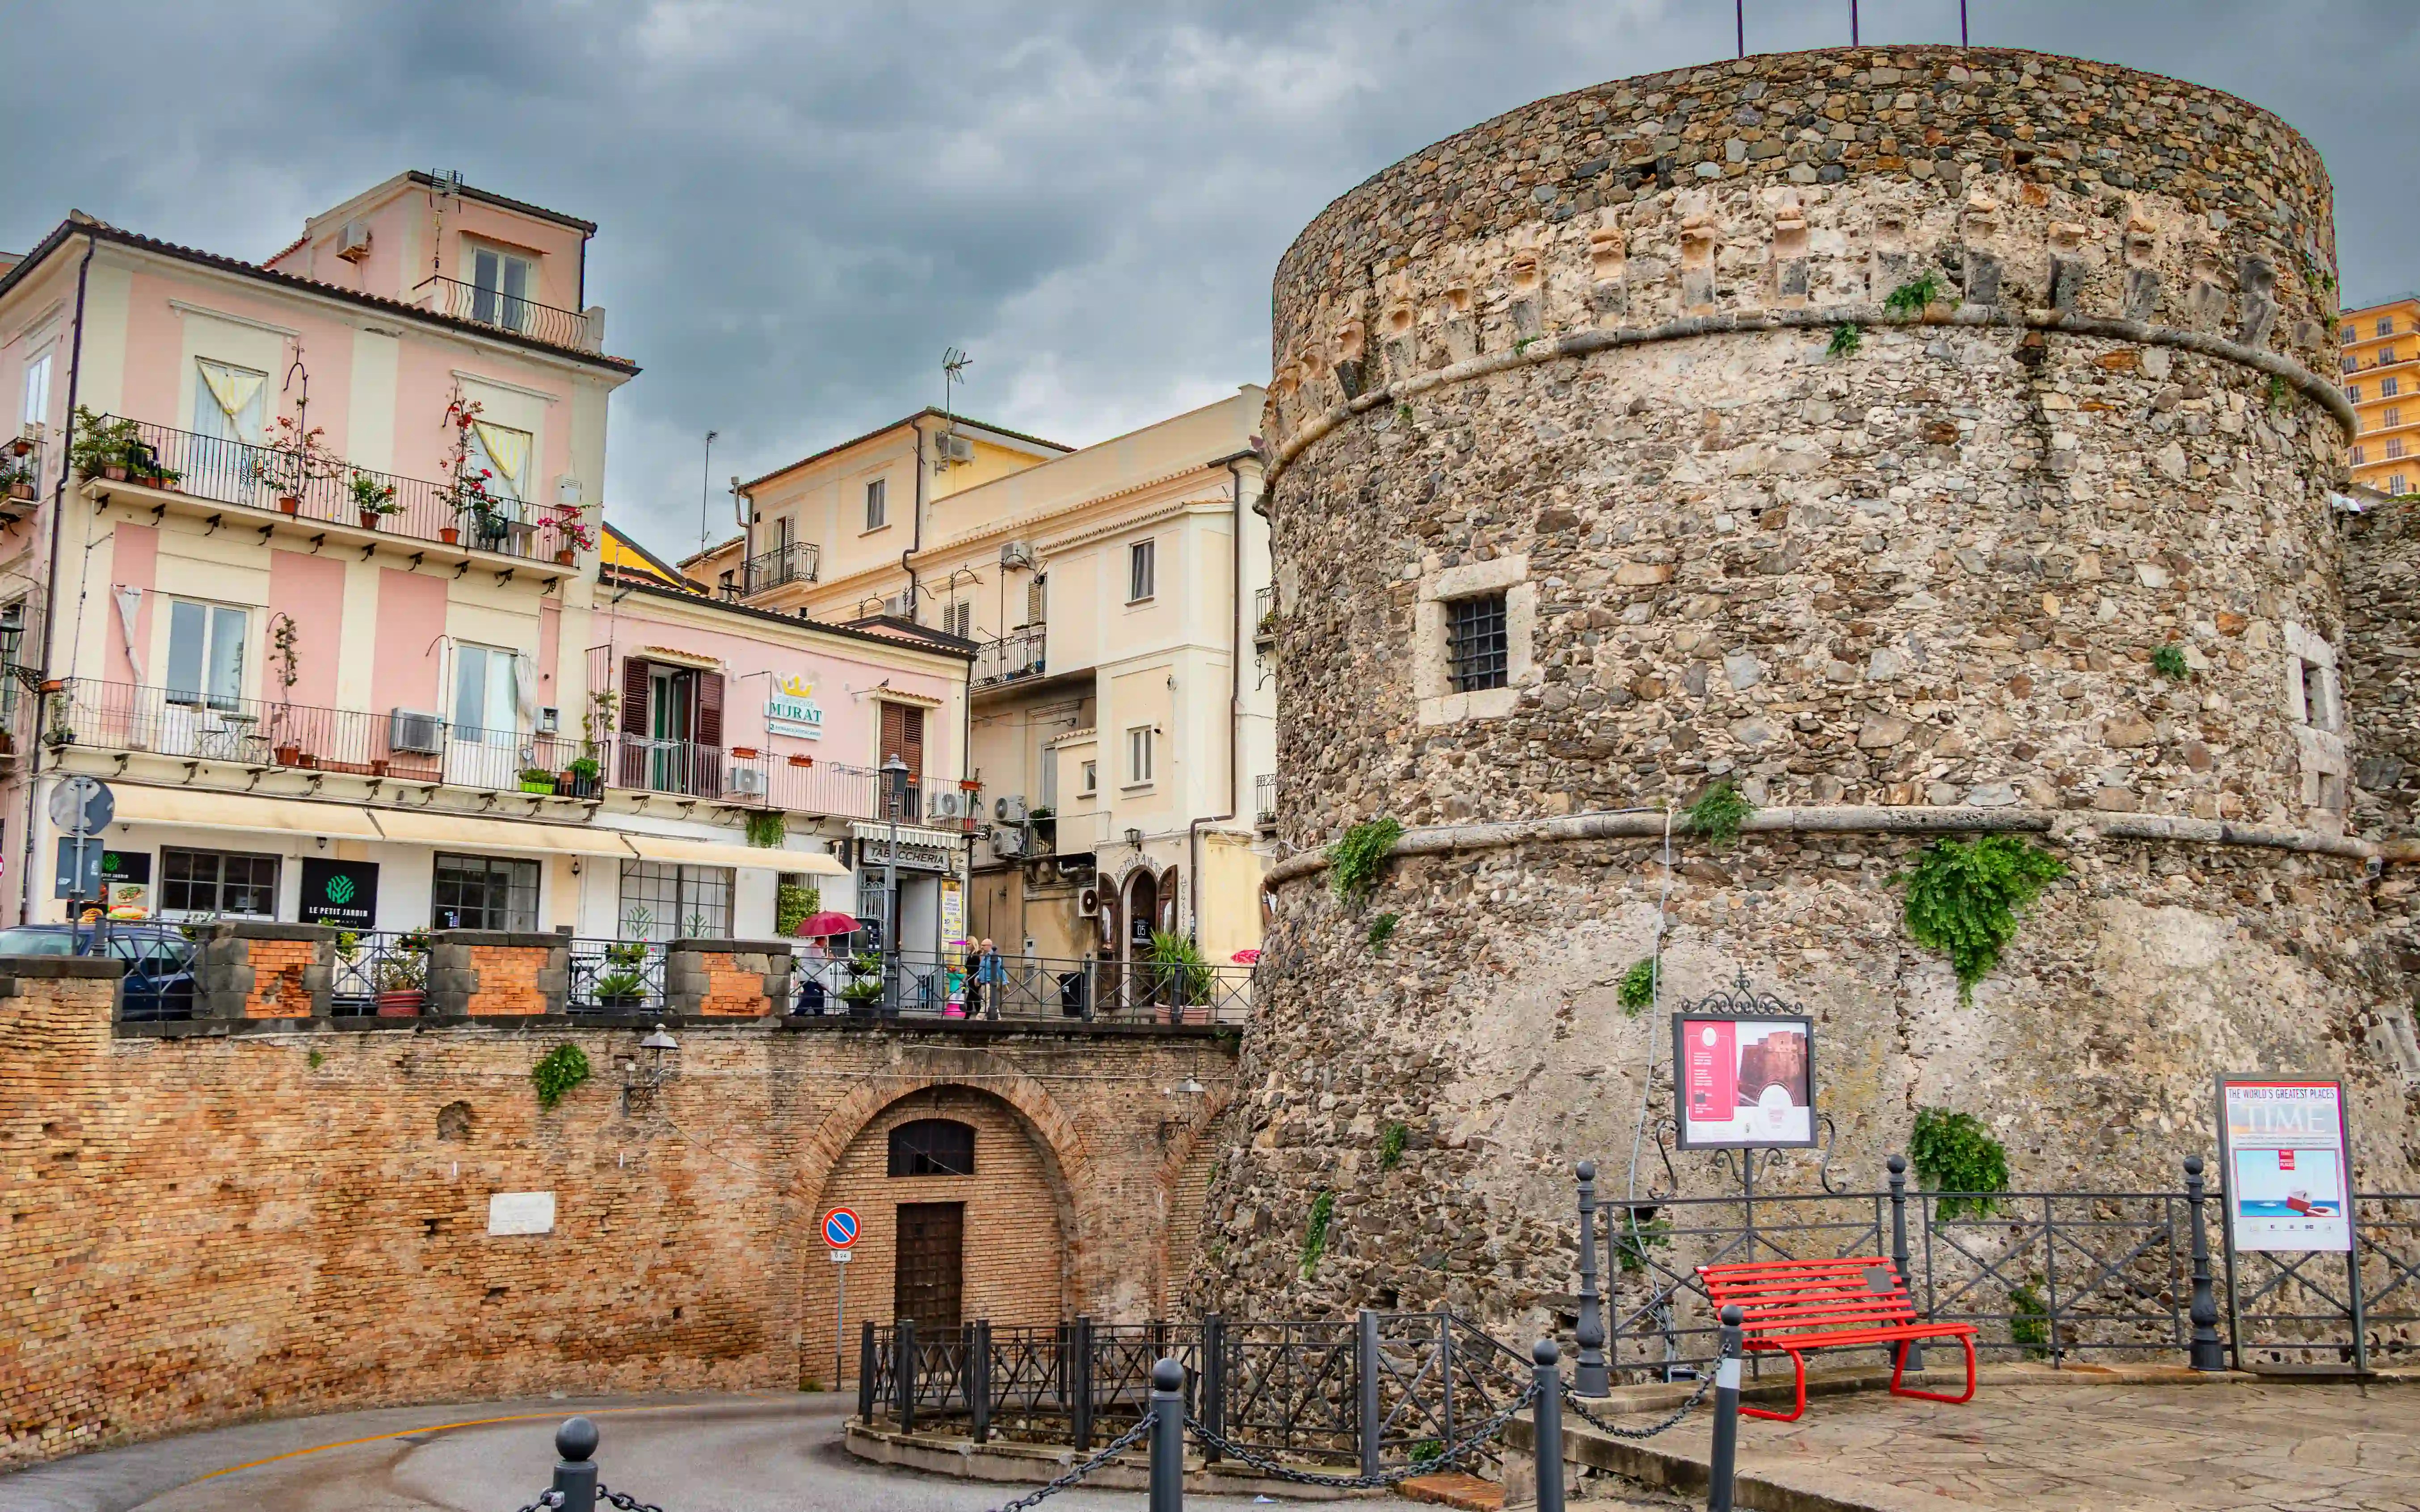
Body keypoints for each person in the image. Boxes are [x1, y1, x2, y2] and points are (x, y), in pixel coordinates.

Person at [973, 937, 1006, 1021]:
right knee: (987, 1001)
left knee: (986, 1001)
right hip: (983, 982)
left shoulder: (995, 957)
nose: (981, 947)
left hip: (990, 983)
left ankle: (980, 1018)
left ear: (989, 946)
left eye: (984, 945)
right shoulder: (985, 957)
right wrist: (978, 977)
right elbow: (982, 969)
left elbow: (1001, 970)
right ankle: (998, 1017)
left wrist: (1005, 981)